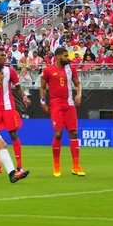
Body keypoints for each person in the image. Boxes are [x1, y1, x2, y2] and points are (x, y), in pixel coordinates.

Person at [0, 48, 31, 174]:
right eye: (1, 55)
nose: (4, 57)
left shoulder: (10, 71)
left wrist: (24, 97)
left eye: (5, 55)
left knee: (13, 135)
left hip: (8, 107)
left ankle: (19, 166)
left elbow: (18, 88)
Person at [40, 47, 85, 177]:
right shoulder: (48, 70)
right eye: (65, 56)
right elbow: (42, 87)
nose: (68, 58)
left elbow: (77, 84)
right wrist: (42, 102)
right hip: (56, 104)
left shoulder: (71, 69)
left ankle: (76, 166)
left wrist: (79, 95)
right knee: (58, 133)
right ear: (58, 56)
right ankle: (56, 165)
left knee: (74, 133)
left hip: (69, 104)